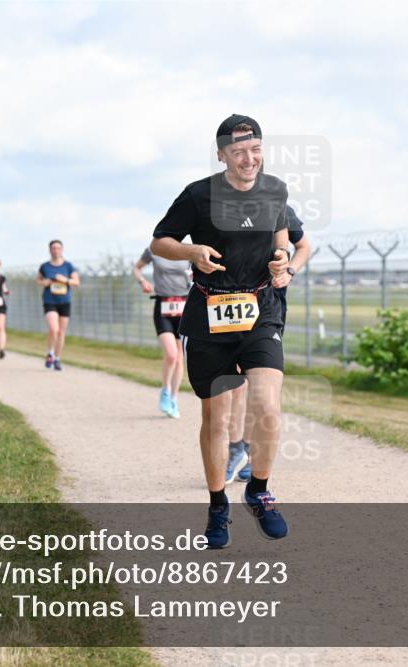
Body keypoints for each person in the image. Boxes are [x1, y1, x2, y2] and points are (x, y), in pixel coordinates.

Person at [150, 114, 292, 548]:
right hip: (210, 312)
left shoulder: (275, 190)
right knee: (215, 417)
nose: (248, 159)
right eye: (238, 152)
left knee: (266, 407)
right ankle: (217, 505)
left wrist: (283, 258)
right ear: (222, 155)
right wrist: (190, 250)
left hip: (261, 309)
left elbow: (282, 234)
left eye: (255, 150)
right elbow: (160, 241)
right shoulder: (199, 195)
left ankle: (258, 489)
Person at [225, 204, 312, 483]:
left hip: (266, 309)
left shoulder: (278, 207)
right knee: (235, 385)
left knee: (257, 386)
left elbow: (303, 246)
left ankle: (249, 451)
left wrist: (290, 272)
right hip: (224, 306)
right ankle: (236, 446)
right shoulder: (219, 208)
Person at [134, 246, 190, 418]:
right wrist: (143, 281)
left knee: (180, 357)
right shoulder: (154, 249)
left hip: (184, 305)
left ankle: (173, 399)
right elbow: (137, 268)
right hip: (163, 305)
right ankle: (165, 390)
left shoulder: (188, 249)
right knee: (171, 354)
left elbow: (201, 269)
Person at [36, 240, 79, 371]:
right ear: (50, 250)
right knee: (54, 329)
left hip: (65, 301)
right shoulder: (44, 266)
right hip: (50, 301)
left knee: (61, 332)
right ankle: (50, 353)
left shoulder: (68, 266)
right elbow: (38, 280)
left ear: (62, 250)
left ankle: (57, 358)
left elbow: (76, 282)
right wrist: (45, 282)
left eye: (58, 248)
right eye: (53, 248)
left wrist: (64, 279)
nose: (56, 250)